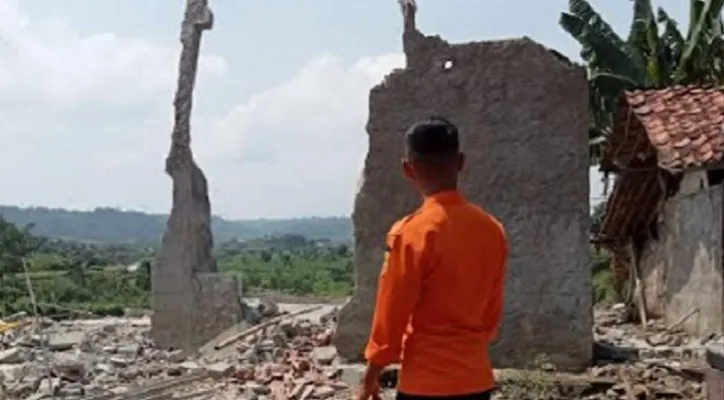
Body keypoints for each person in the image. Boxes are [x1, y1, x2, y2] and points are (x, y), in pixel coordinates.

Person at [357, 116, 509, 400]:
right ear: (460, 162)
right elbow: (491, 312)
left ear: (408, 169)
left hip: (425, 383)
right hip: (476, 378)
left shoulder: (412, 232)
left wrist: (371, 376)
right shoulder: (492, 230)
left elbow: (392, 312)